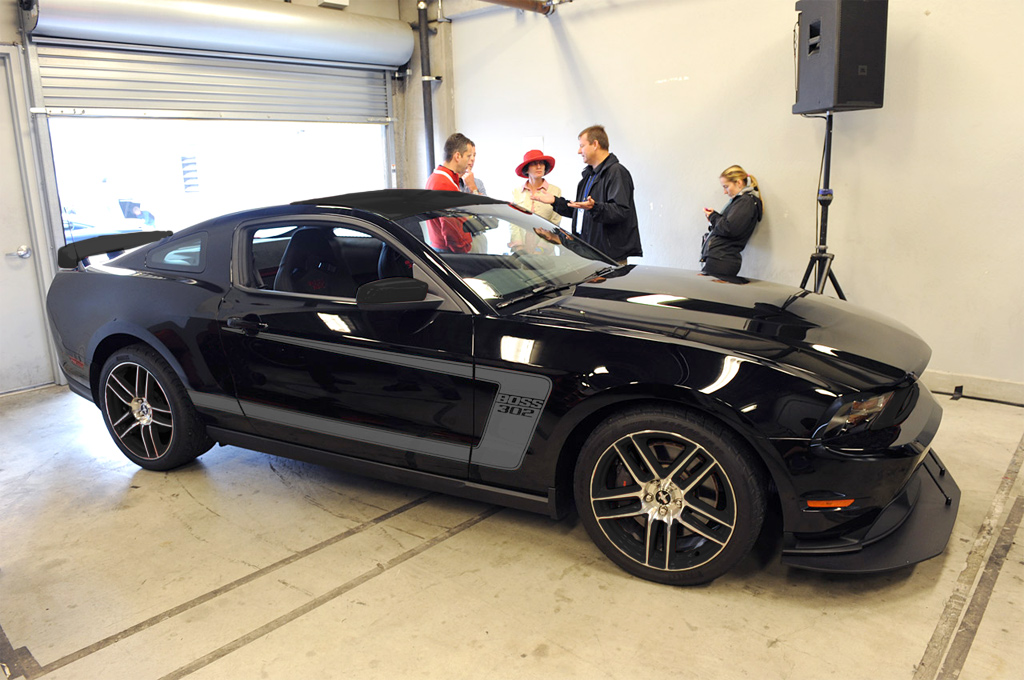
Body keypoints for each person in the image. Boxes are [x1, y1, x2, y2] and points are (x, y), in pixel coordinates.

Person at [532, 125, 642, 265]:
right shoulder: (588, 176)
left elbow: (620, 211)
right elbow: (581, 212)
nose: (579, 151)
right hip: (587, 254)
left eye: (582, 146)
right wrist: (555, 201)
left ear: (595, 144)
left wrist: (594, 207)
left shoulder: (616, 172)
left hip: (608, 258)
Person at [700, 165, 763, 277]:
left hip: (722, 260)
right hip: (719, 259)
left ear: (738, 183)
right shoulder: (742, 201)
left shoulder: (745, 202)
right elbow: (728, 225)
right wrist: (712, 218)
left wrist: (713, 217)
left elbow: (729, 229)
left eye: (726, 186)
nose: (725, 192)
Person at [425, 133, 476, 253]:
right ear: (457, 156)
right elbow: (451, 229)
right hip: (449, 250)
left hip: (442, 247)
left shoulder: (437, 178)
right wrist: (462, 251)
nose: (470, 161)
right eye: (468, 156)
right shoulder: (444, 184)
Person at [509, 149, 561, 255]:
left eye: (541, 163)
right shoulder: (517, 192)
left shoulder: (555, 191)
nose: (539, 167)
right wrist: (519, 247)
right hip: (522, 248)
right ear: (526, 169)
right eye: (534, 164)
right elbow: (513, 221)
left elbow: (555, 222)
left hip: (546, 250)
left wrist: (541, 248)